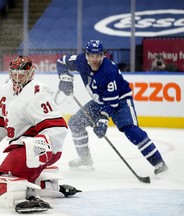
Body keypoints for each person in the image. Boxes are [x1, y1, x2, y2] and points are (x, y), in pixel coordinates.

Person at [0, 56, 81, 213]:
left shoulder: (37, 93)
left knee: (7, 173)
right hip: (21, 147)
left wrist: (40, 144)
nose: (17, 78)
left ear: (31, 73)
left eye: (22, 74)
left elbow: (57, 127)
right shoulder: (5, 91)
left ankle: (28, 194)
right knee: (4, 172)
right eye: (14, 73)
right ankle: (46, 185)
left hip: (44, 149)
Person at [56, 39, 168, 176]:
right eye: (92, 55)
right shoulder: (80, 60)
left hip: (120, 101)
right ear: (87, 55)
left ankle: (159, 163)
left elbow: (112, 103)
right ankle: (85, 159)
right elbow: (61, 62)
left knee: (131, 130)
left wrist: (103, 122)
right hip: (99, 101)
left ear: (103, 55)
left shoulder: (108, 70)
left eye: (98, 55)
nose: (95, 59)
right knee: (75, 123)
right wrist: (65, 78)